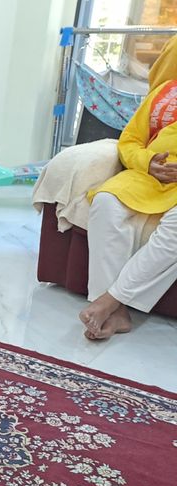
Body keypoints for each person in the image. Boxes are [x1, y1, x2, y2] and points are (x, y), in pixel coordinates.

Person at [80, 35, 177, 341]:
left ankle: (108, 301)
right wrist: (148, 163)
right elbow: (129, 141)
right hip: (148, 175)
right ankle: (117, 314)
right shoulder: (165, 93)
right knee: (106, 202)